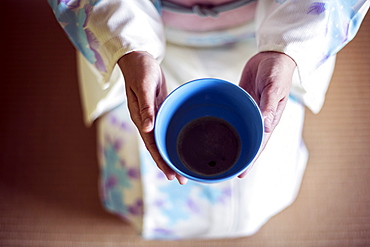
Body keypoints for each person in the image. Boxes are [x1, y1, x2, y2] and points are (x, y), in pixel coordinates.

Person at [49, 0, 369, 240]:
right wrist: (126, 46)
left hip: (265, 33)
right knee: (140, 170)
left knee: (257, 188)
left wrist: (287, 49)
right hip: (140, 32)